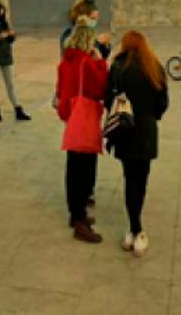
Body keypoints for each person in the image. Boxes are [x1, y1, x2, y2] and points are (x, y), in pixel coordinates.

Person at [107, 31, 169, 257]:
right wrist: (151, 116)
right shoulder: (154, 68)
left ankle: (133, 230)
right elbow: (163, 102)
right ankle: (137, 229)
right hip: (146, 129)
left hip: (124, 129)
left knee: (129, 178)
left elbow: (108, 100)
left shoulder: (118, 68)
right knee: (141, 179)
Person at [58, 15, 110, 242]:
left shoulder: (66, 61)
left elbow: (61, 89)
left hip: (71, 115)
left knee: (73, 166)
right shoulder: (87, 62)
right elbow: (100, 88)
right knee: (84, 169)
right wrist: (101, 62)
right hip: (85, 116)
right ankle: (79, 220)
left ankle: (75, 213)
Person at [0, 3, 29, 122]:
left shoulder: (4, 23)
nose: (1, 14)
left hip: (6, 56)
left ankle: (17, 109)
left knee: (11, 84)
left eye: (3, 12)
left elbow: (10, 40)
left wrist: (12, 36)